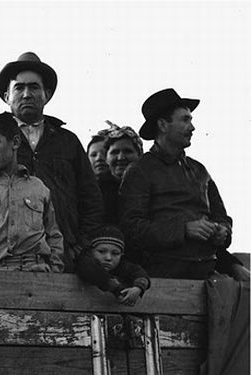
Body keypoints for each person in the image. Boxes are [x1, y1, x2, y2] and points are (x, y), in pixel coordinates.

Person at [0, 52, 103, 271]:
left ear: (47, 94)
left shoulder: (67, 140)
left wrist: (79, 243)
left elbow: (91, 199)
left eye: (34, 87)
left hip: (63, 260)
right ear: (6, 96)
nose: (27, 94)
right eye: (19, 88)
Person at [119, 88, 234, 280]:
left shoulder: (200, 171)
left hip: (206, 272)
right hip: (162, 275)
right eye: (185, 120)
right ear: (163, 125)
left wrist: (223, 231)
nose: (192, 127)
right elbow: (131, 228)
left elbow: (222, 216)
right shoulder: (140, 170)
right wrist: (184, 230)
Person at [0, 113, 64, 272]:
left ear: (15, 142)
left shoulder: (38, 188)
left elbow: (54, 235)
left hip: (36, 272)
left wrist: (53, 269)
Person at [76, 225, 150, 306]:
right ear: (91, 251)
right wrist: (118, 290)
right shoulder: (83, 262)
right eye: (101, 251)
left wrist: (138, 287)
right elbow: (92, 271)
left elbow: (137, 271)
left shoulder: (121, 265)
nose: (108, 258)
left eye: (115, 253)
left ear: (121, 255)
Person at [96, 121, 144, 224]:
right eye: (115, 152)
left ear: (139, 155)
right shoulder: (96, 190)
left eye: (127, 151)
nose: (121, 158)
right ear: (106, 158)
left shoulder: (151, 185)